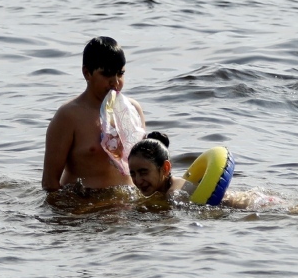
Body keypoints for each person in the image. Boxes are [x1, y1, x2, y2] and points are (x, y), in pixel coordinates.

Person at [42, 36, 143, 194]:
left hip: (126, 207)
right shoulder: (68, 116)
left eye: (120, 73)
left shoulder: (133, 109)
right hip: (85, 208)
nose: (115, 82)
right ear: (87, 73)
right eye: (107, 74)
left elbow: (146, 165)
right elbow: (49, 183)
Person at [127, 132, 270, 209]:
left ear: (165, 168)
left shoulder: (174, 195)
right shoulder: (169, 187)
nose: (138, 180)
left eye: (144, 172)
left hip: (251, 204)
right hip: (252, 199)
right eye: (132, 173)